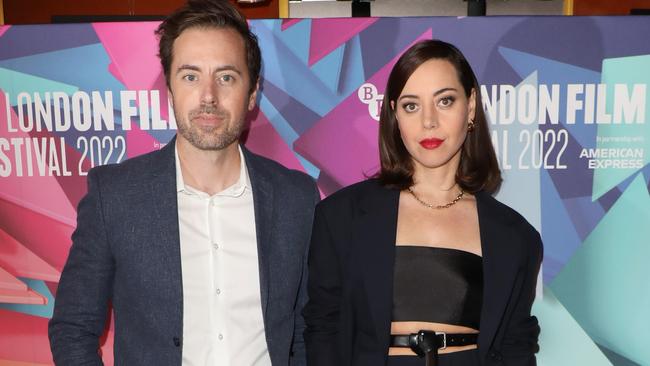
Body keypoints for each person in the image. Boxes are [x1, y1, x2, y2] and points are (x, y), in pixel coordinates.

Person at [48, 1, 319, 365]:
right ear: (170, 89)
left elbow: (307, 331)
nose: (208, 96)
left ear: (252, 92)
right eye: (191, 76)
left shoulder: (295, 198)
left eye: (226, 77)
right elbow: (73, 328)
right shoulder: (114, 197)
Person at [303, 39, 543, 366]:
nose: (428, 121)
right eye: (411, 106)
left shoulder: (515, 236)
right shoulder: (341, 217)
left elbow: (516, 344)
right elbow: (323, 328)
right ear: (394, 115)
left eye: (445, 101)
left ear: (471, 107)